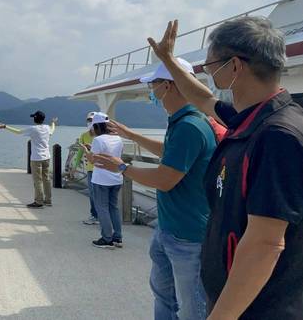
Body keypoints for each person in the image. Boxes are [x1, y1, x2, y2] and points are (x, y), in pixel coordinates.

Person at [146, 17, 303, 319]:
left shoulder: (277, 138)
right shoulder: (260, 118)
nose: (207, 73)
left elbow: (266, 243)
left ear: (234, 67)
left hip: (260, 309)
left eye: (209, 66)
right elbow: (204, 99)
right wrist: (167, 59)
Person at [94, 57, 216, 320]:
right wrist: (131, 135)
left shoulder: (190, 126)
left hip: (187, 235)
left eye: (154, 85)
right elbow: (169, 154)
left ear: (170, 86)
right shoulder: (181, 121)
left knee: (192, 307)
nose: (152, 91)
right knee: (164, 295)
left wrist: (121, 168)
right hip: (169, 228)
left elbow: (165, 179)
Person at [0, 111, 58, 208]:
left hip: (36, 158)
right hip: (47, 157)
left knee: (37, 180)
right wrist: (53, 122)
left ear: (35, 119)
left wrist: (5, 127)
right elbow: (52, 129)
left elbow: (18, 132)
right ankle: (48, 200)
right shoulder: (47, 128)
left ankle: (39, 201)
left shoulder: (33, 129)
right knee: (46, 179)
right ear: (43, 119)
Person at [85, 112, 124, 248]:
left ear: (96, 126)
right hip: (117, 177)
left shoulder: (98, 140)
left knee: (102, 208)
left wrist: (86, 150)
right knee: (113, 207)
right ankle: (117, 237)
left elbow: (93, 160)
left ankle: (107, 238)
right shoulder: (118, 139)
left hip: (101, 179)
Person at [75, 112, 99, 225]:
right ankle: (94, 215)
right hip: (90, 169)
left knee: (101, 195)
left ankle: (103, 217)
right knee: (92, 194)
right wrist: (74, 167)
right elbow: (80, 151)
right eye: (88, 120)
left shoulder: (102, 135)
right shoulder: (84, 136)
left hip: (102, 169)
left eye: (92, 120)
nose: (90, 122)